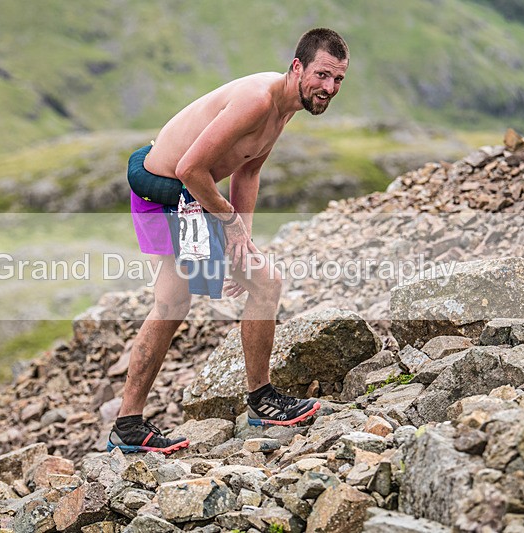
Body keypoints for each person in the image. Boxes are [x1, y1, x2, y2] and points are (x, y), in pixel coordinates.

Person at [108, 28, 349, 454]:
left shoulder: (284, 107)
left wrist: (244, 241)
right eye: (322, 75)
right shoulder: (258, 100)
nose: (329, 88)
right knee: (251, 287)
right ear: (298, 67)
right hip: (168, 190)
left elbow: (248, 171)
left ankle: (128, 427)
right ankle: (261, 401)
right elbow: (190, 169)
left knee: (182, 300)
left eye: (338, 80)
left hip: (183, 192)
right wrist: (231, 225)